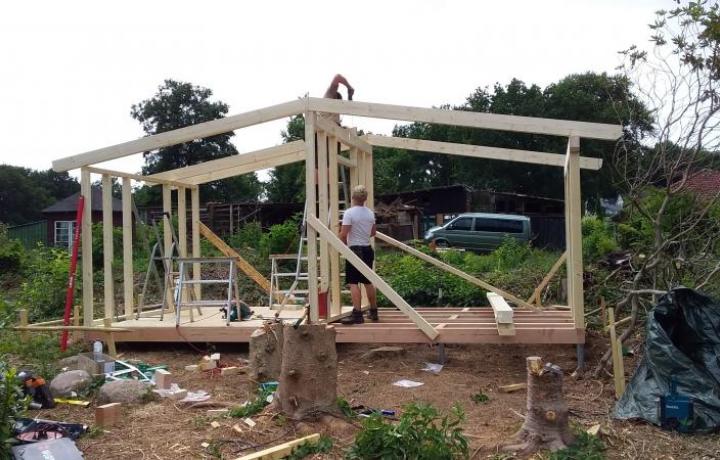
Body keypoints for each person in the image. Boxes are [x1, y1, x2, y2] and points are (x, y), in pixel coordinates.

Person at [339, 185, 378, 324]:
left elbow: (343, 234)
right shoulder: (370, 213)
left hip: (355, 249)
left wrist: (343, 246)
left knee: (353, 282)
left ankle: (357, 314)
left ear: (353, 197)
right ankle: (373, 312)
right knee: (368, 282)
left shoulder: (349, 213)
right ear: (365, 198)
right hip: (367, 249)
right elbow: (373, 232)